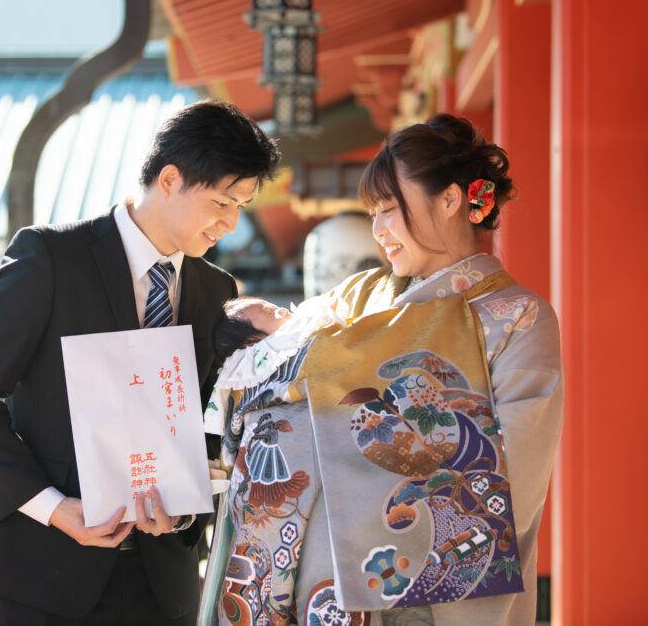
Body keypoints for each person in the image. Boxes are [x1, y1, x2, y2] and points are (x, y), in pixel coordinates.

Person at [206, 113, 564, 625]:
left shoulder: (517, 318)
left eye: (390, 210)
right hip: (300, 577)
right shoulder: (360, 294)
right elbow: (264, 372)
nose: (378, 231)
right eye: (372, 213)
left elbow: (513, 475)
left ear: (450, 200)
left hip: (415, 587)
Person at [0, 99, 280, 625]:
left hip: (163, 580)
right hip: (46, 570)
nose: (230, 224)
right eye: (222, 202)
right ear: (170, 179)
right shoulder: (49, 257)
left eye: (241, 207)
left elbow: (208, 423)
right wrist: (53, 507)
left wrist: (187, 505)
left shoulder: (217, 289)